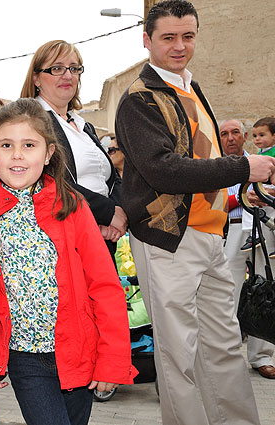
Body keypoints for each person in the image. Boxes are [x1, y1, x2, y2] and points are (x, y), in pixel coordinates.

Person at [114, 1, 275, 423]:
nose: (180, 46)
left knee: (223, 347)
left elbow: (201, 155)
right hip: (168, 239)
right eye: (168, 37)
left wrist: (239, 193)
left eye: (188, 36)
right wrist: (243, 168)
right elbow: (162, 170)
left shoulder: (191, 86)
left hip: (211, 238)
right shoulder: (138, 98)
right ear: (147, 40)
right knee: (177, 355)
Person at [0, 98, 135, 425]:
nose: (17, 154)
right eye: (6, 145)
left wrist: (111, 359)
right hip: (25, 358)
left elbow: (104, 286)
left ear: (48, 154)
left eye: (29, 145)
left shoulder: (71, 206)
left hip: (79, 351)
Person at [21, 40, 126, 255]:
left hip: (102, 237)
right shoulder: (29, 121)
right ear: (36, 78)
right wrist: (106, 213)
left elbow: (112, 176)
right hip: (63, 240)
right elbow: (48, 181)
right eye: (57, 68)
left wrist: (117, 215)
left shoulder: (83, 125)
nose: (68, 76)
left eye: (74, 68)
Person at [220, 119, 275, 379]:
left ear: (244, 137)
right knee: (226, 292)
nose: (230, 138)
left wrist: (263, 195)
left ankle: (261, 356)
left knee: (264, 290)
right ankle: (227, 355)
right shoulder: (213, 168)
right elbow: (212, 204)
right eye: (224, 134)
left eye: (234, 133)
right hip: (231, 228)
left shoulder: (260, 163)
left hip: (261, 228)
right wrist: (239, 199)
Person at [240, 116, 275, 251]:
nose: (257, 139)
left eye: (262, 135)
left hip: (271, 185)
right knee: (250, 204)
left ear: (274, 136)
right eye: (255, 136)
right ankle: (253, 234)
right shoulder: (260, 153)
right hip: (263, 186)